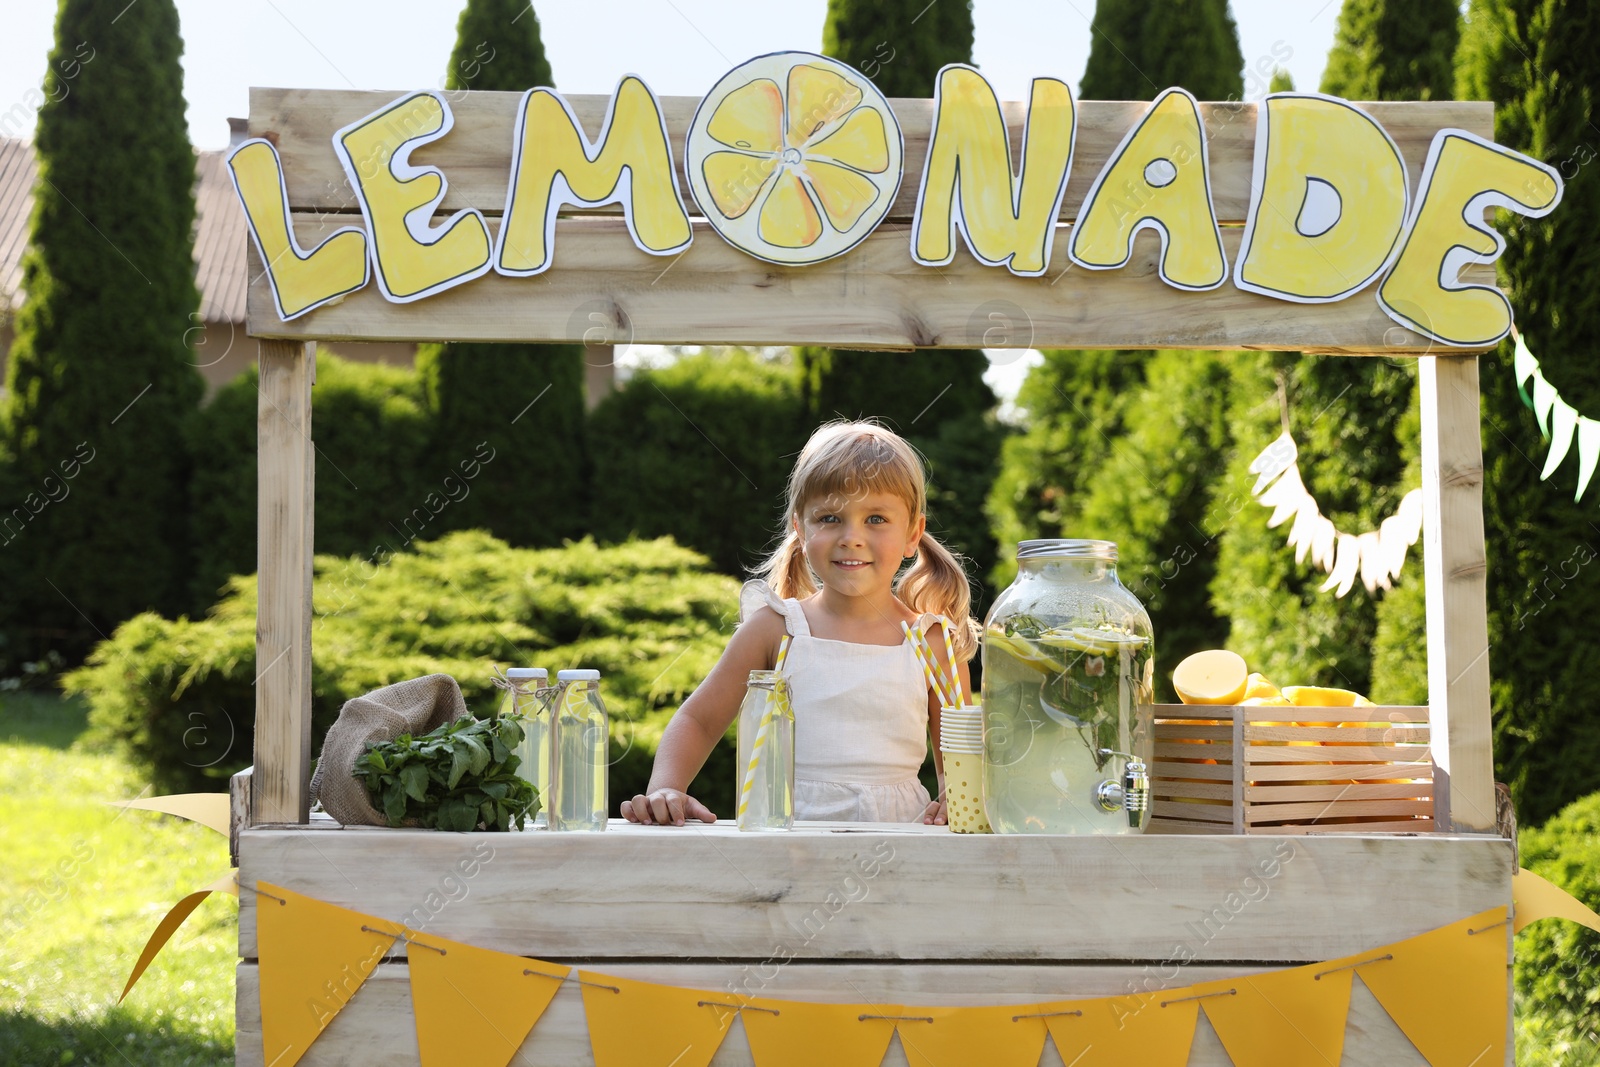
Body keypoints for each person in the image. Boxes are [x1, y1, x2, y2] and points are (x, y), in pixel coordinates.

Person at [622, 421, 979, 826]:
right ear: (800, 527)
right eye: (829, 518)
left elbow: (960, 758)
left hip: (896, 847)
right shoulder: (776, 630)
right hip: (784, 840)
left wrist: (957, 798)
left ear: (913, 533)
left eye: (876, 519)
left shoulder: (932, 643)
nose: (851, 537)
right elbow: (699, 720)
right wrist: (666, 788)